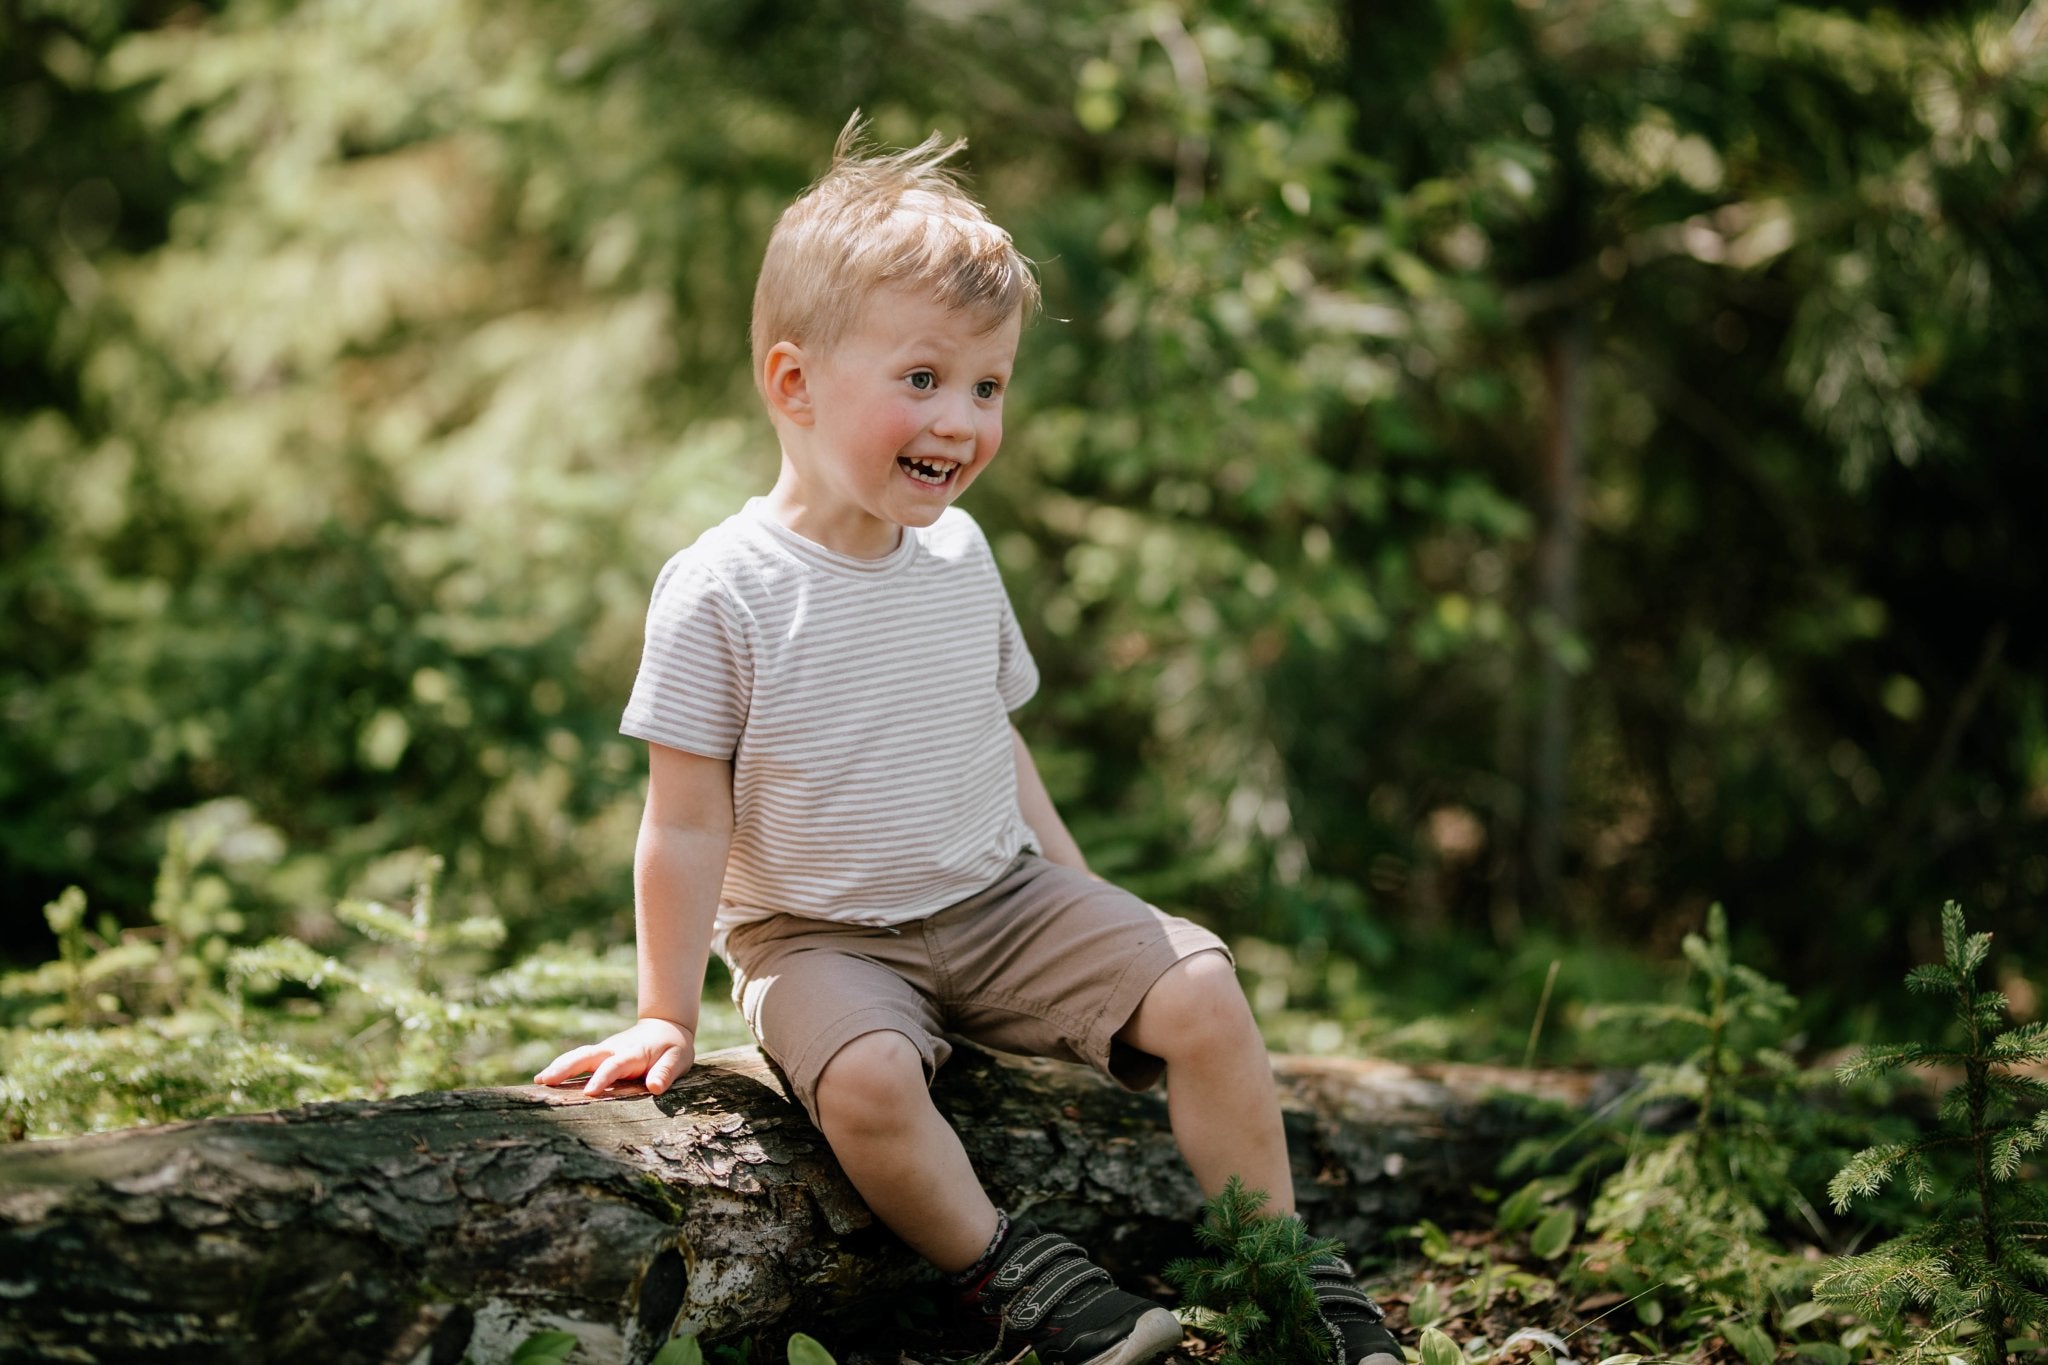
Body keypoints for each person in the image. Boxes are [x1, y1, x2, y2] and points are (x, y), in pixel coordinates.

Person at [535, 118, 1403, 1365]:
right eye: (923, 379)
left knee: (1201, 985)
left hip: (996, 902)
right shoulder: (722, 588)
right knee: (875, 1083)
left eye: (987, 386)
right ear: (794, 384)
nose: (962, 419)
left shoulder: (956, 555)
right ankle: (1010, 1281)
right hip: (820, 936)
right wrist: (666, 1010)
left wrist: (1078, 890)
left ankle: (1280, 1270)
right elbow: (682, 818)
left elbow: (989, 737)